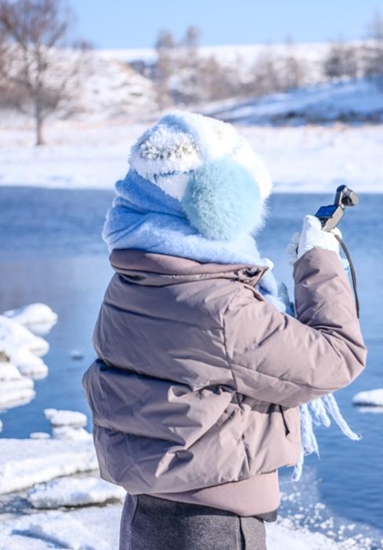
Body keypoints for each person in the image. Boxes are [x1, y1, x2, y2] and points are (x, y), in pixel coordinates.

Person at [82, 112, 367, 550]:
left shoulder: (132, 279)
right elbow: (337, 358)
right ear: (217, 200)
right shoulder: (222, 305)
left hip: (145, 514)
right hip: (211, 527)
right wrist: (320, 261)